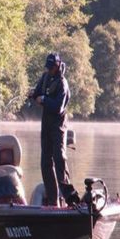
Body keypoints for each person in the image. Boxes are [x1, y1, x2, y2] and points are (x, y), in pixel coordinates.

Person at [31, 53, 79, 207]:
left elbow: (58, 107)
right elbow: (37, 93)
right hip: (46, 124)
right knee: (45, 162)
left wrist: (44, 100)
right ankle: (53, 200)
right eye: (48, 67)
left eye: (52, 67)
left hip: (58, 125)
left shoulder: (63, 84)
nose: (49, 70)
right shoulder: (45, 77)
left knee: (59, 159)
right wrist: (34, 96)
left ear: (58, 65)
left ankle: (69, 198)